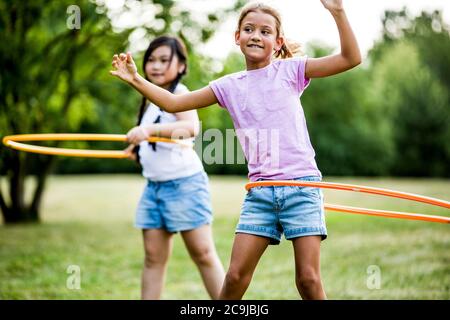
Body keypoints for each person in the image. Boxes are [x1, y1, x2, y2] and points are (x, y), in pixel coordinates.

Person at [111, 0, 361, 300]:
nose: (256, 35)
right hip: (260, 193)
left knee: (307, 279)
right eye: (249, 29)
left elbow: (350, 58)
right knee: (234, 278)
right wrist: (135, 79)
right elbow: (173, 103)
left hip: (301, 187)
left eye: (265, 31)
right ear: (237, 37)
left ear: (277, 41)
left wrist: (337, 11)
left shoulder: (291, 71)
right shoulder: (227, 86)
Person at [123, 35, 224, 300]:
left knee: (203, 255)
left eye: (164, 60)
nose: (155, 66)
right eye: (151, 60)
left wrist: (148, 131)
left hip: (184, 185)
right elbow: (158, 140)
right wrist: (138, 149)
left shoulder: (179, 93)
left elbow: (189, 129)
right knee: (152, 259)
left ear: (181, 66)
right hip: (154, 188)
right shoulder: (149, 98)